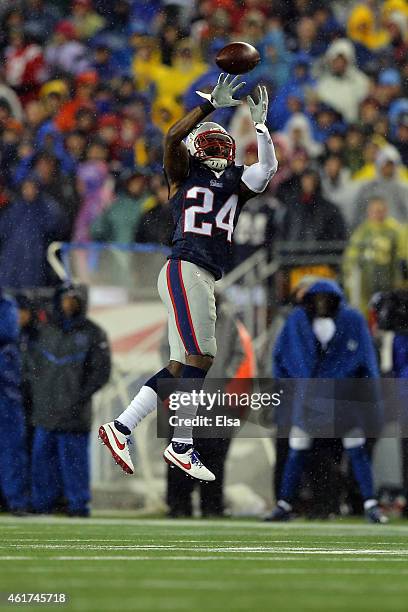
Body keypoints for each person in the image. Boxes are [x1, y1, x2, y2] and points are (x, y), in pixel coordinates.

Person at [99, 74, 278, 481]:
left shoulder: (236, 180)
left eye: (221, 142)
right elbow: (171, 137)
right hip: (187, 267)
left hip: (198, 274)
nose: (216, 147)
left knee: (181, 367)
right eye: (209, 141)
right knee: (203, 357)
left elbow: (267, 168)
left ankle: (121, 427)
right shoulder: (182, 175)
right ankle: (182, 444)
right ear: (197, 148)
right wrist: (210, 106)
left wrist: (262, 128)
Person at [266, 280, 387, 524]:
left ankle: (370, 504)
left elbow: (366, 362)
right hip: (310, 398)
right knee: (297, 449)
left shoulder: (351, 320)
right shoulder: (298, 320)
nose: (321, 303)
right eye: (316, 298)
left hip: (342, 399)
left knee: (355, 449)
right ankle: (284, 503)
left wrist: (372, 401)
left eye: (326, 298)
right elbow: (281, 358)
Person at [29, 284, 111, 516]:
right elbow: (33, 367)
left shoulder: (94, 333)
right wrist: (39, 394)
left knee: (74, 463)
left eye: (73, 299)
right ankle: (42, 505)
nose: (68, 304)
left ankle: (78, 505)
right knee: (42, 462)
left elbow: (101, 373)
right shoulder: (46, 331)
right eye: (65, 298)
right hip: (45, 410)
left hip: (74, 413)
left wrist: (78, 398)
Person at [343, 197, 403, 314]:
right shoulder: (362, 231)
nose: (377, 214)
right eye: (374, 211)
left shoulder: (394, 230)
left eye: (380, 211)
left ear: (386, 211)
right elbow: (351, 255)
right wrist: (349, 272)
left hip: (389, 279)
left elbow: (402, 253)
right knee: (365, 310)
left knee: (390, 311)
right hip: (367, 280)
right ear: (368, 212)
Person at [0, 288, 29, 514]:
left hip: (6, 392)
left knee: (11, 450)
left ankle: (16, 501)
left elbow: (8, 332)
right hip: (8, 391)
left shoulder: (7, 306)